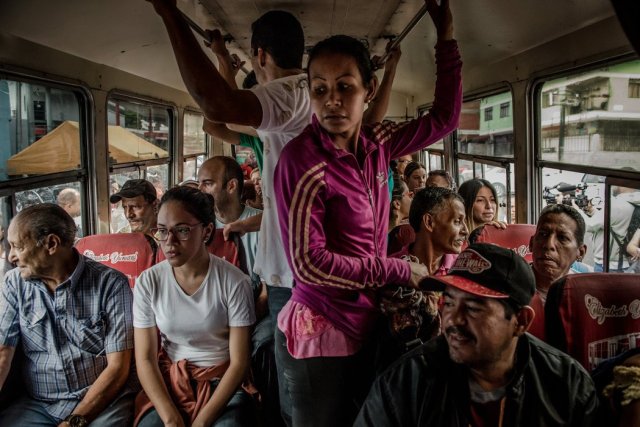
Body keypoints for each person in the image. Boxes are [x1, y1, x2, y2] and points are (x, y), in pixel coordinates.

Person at [273, 0, 461, 424]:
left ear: (369, 90)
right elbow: (308, 265)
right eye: (320, 89)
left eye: (345, 87)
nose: (332, 101)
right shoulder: (302, 162)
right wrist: (396, 270)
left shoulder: (379, 143)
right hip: (324, 320)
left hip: (367, 311)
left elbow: (445, 119)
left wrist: (446, 37)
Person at [356, 243, 601, 426]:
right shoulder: (405, 384)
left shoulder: (567, 385)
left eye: (474, 308)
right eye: (449, 303)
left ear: (521, 321)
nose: (453, 320)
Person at [0, 204, 137, 426]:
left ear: (51, 244)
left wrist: (73, 421)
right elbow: (3, 351)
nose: (11, 257)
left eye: (17, 246)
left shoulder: (110, 284)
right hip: (40, 403)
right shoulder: (14, 284)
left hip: (101, 400)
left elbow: (118, 367)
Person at [133, 187, 256, 427]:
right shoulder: (149, 282)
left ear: (207, 231)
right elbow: (146, 359)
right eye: (162, 231)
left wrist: (201, 422)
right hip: (171, 381)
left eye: (182, 230)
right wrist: (170, 419)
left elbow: (239, 362)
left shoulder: (234, 282)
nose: (170, 242)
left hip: (222, 380)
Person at [378, 187, 468, 366]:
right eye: (457, 221)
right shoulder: (393, 269)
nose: (465, 230)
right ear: (429, 222)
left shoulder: (463, 271)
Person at [530, 203, 588, 304]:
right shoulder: (509, 287)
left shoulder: (587, 292)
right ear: (531, 243)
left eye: (562, 238)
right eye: (543, 234)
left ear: (580, 252)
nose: (549, 245)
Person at [577, 185, 640, 272]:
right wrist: (592, 211)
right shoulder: (634, 202)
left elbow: (589, 225)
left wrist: (577, 211)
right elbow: (614, 220)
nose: (613, 186)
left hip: (607, 265)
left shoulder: (616, 204)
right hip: (626, 263)